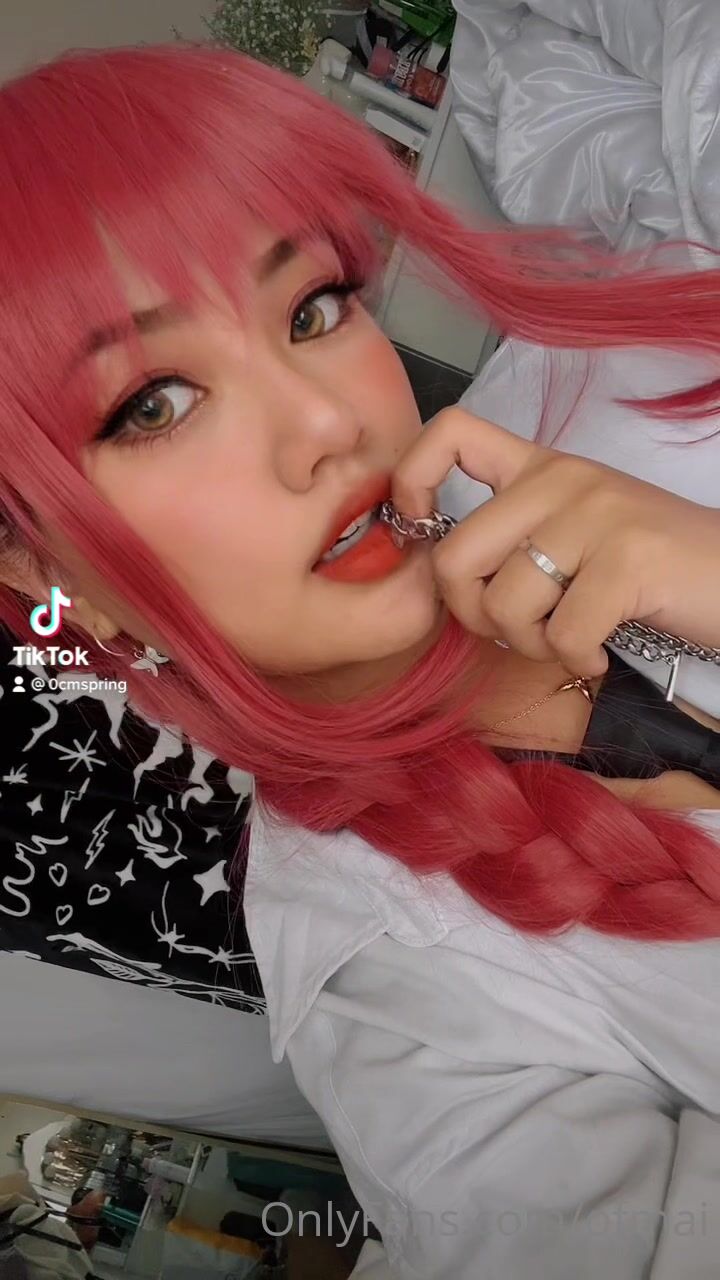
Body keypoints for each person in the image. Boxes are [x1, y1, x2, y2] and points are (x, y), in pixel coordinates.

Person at [3, 40, 720, 1278]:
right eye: (154, 404)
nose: (330, 422)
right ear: (47, 574)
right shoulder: (390, 977)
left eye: (313, 308)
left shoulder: (626, 381)